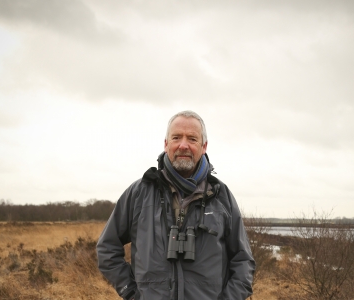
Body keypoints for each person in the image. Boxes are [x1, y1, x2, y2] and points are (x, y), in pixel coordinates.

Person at [97, 110, 255, 300]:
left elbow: (243, 261)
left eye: (192, 139)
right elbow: (107, 248)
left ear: (204, 146)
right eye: (176, 137)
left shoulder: (221, 196)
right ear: (166, 144)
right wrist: (131, 292)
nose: (183, 145)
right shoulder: (140, 193)